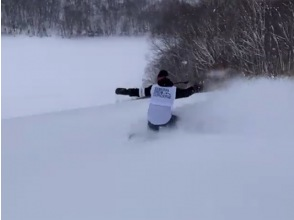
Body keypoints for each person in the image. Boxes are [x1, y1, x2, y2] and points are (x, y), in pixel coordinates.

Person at [115, 70, 203, 131]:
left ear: (158, 78)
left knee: (153, 120)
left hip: (152, 121)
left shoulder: (153, 88)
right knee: (177, 119)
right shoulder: (173, 90)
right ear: (167, 78)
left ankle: (149, 137)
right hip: (166, 120)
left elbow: (138, 92)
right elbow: (186, 93)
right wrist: (195, 88)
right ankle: (174, 137)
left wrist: (124, 91)